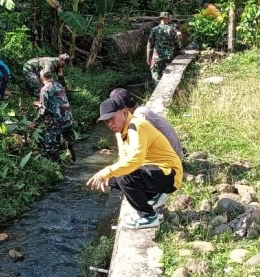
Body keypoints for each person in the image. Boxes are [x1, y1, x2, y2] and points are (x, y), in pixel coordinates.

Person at [86, 97, 183, 229]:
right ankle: (153, 195)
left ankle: (148, 216)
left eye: (112, 118)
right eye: (106, 121)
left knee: (123, 177)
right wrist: (108, 177)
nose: (109, 124)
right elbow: (124, 159)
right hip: (156, 172)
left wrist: (107, 171)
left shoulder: (137, 126)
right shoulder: (121, 132)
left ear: (125, 112)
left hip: (170, 174)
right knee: (113, 179)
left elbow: (135, 159)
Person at [109, 88, 183, 160]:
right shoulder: (138, 112)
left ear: (124, 107)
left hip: (170, 159)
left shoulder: (140, 114)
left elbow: (140, 145)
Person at [28, 70, 75, 162]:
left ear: (41, 78)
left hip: (57, 119)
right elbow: (58, 101)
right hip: (68, 117)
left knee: (50, 146)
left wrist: (35, 123)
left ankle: (58, 167)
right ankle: (73, 159)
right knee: (69, 139)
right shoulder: (58, 85)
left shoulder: (45, 89)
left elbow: (43, 109)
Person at [147, 12, 182, 81]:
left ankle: (156, 85)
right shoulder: (171, 29)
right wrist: (180, 50)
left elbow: (150, 46)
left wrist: (148, 57)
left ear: (160, 19)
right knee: (167, 74)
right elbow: (176, 43)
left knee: (155, 73)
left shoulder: (154, 30)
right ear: (168, 19)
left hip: (156, 57)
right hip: (168, 57)